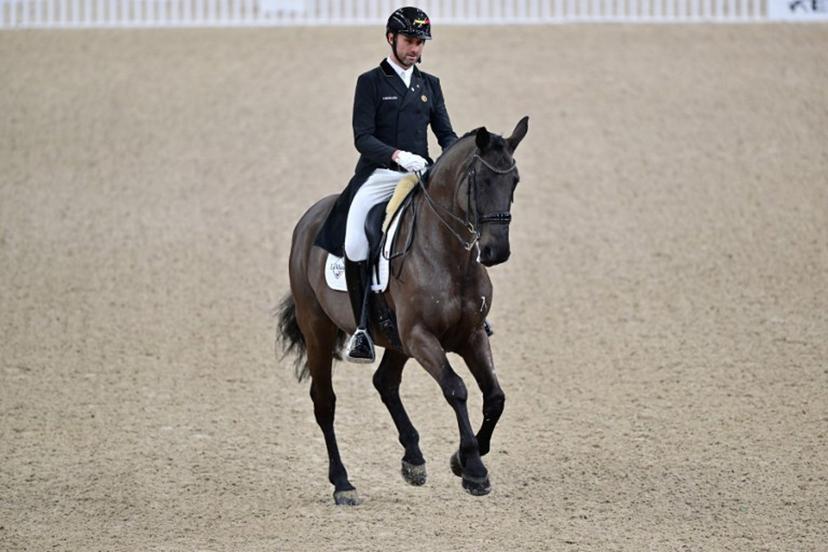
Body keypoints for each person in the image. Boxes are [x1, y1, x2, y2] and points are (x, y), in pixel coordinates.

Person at [314, 6, 458, 363]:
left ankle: (468, 311)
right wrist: (397, 156)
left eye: (420, 43)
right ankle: (362, 328)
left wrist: (457, 160)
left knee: (457, 222)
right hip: (379, 175)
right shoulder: (371, 82)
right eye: (410, 41)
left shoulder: (430, 85)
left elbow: (446, 134)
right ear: (391, 38)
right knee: (356, 239)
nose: (416, 49)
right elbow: (362, 138)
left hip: (418, 175)